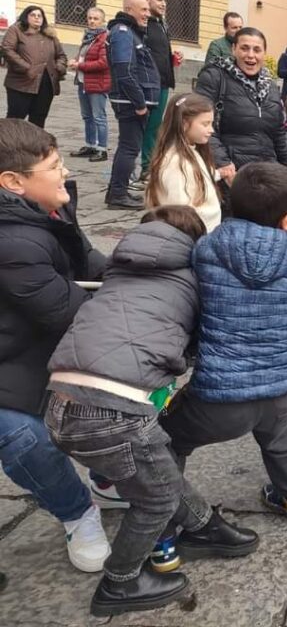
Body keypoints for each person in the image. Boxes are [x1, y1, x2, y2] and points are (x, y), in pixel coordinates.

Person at [45, 206, 258, 617]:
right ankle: (121, 582)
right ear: (194, 244)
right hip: (113, 408)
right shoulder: (194, 280)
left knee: (157, 472)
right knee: (156, 499)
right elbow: (198, 343)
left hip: (58, 402)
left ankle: (200, 528)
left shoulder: (115, 271)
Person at [159, 162, 287, 522]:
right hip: (284, 384)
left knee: (164, 440)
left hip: (221, 394)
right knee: (280, 434)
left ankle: (163, 522)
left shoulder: (207, 248)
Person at [0, 120, 111, 574]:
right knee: (21, 436)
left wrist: (150, 259)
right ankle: (77, 511)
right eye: (53, 166)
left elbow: (89, 263)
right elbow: (71, 309)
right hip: (13, 359)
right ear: (13, 182)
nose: (65, 173)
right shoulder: (12, 240)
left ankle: (111, 476)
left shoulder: (45, 210)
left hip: (38, 340)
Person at [195, 26, 287, 188]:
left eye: (257, 50)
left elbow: (279, 135)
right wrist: (223, 164)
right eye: (244, 48)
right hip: (231, 176)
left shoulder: (270, 86)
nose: (251, 55)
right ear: (233, 49)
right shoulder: (215, 77)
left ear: (264, 53)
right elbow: (201, 124)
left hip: (266, 175)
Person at [107, 0, 161, 210]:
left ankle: (116, 191)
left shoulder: (130, 32)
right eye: (144, 10)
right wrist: (139, 103)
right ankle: (118, 195)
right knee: (130, 148)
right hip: (130, 102)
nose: (148, 14)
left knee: (127, 147)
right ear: (129, 9)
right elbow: (124, 71)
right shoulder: (123, 32)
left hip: (132, 100)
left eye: (148, 10)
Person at [145, 93, 222, 232]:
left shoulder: (191, 151)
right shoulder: (175, 162)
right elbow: (179, 210)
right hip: (192, 235)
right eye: (205, 124)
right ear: (184, 124)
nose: (211, 130)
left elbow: (198, 177)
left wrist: (218, 174)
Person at [2, 5, 68, 128]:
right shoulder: (16, 30)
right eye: (33, 15)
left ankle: (34, 146)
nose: (37, 18)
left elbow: (61, 56)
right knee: (15, 119)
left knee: (39, 118)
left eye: (40, 16)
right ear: (26, 17)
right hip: (22, 82)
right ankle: (8, 146)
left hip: (46, 83)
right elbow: (7, 49)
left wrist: (59, 67)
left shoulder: (50, 35)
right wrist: (26, 67)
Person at [141, 0, 176, 183]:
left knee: (155, 126)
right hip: (149, 84)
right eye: (158, 0)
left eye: (164, 0)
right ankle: (146, 167)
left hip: (163, 82)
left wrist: (172, 58)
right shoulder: (144, 25)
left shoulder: (162, 24)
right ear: (146, 0)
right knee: (148, 126)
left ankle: (151, 164)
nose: (163, 4)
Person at [67, 7, 111, 162]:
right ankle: (90, 145)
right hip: (83, 82)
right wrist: (75, 60)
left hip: (97, 83)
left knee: (99, 117)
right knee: (87, 116)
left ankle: (102, 149)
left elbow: (103, 63)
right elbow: (84, 56)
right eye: (90, 18)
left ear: (102, 21)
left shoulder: (104, 38)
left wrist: (80, 65)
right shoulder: (88, 37)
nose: (92, 21)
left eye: (96, 18)